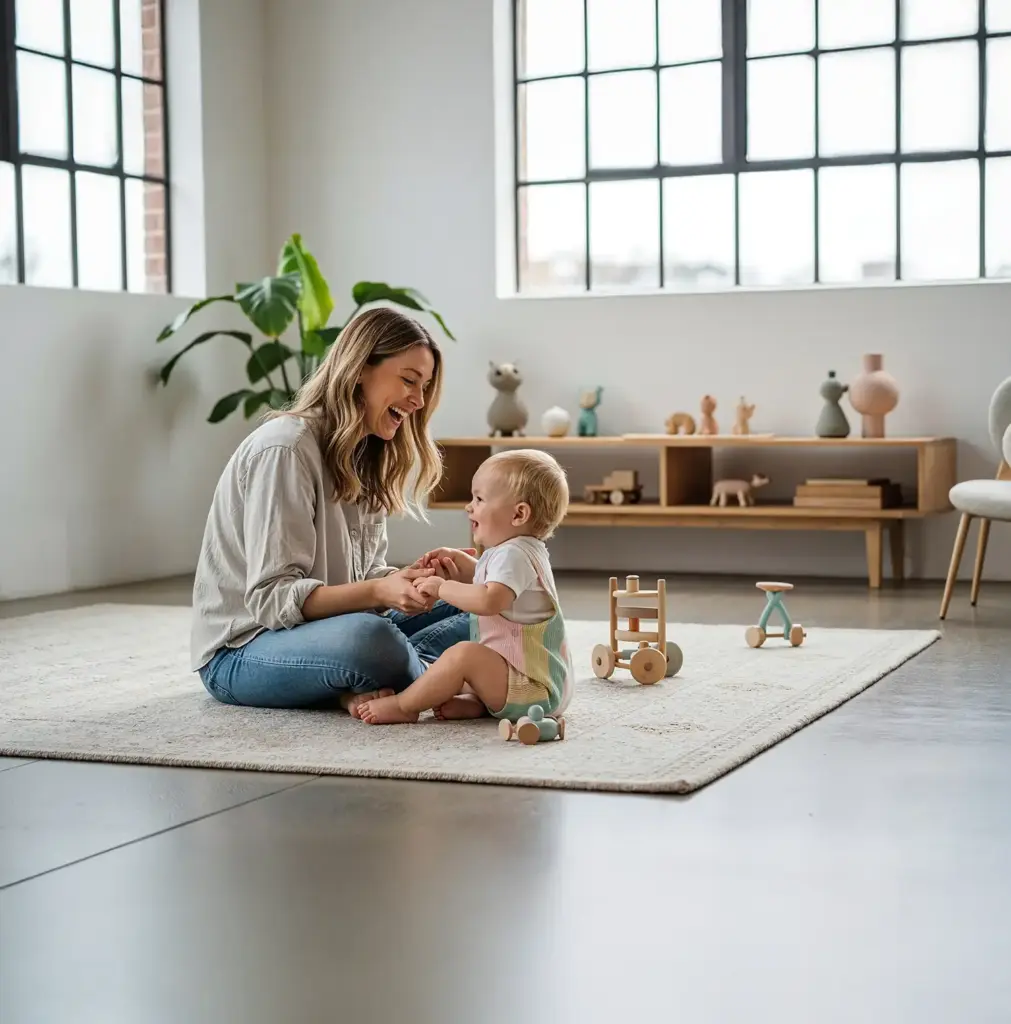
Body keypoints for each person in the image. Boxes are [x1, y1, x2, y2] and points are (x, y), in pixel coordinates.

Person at [191, 307, 471, 713]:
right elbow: (272, 599)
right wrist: (379, 592)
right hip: (244, 650)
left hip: (327, 630)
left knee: (481, 604)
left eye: (424, 386)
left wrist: (414, 581)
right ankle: (443, 679)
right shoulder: (285, 449)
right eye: (409, 381)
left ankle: (410, 675)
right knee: (371, 640)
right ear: (359, 369)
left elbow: (368, 577)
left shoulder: (367, 453)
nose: (419, 400)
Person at [357, 449, 574, 726]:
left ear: (519, 514)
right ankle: (479, 701)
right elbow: (500, 587)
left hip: (530, 689)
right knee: (464, 660)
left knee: (462, 656)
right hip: (533, 682)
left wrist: (441, 587)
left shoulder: (514, 554)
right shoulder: (522, 551)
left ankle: (405, 705)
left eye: (479, 499)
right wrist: (465, 564)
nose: (469, 506)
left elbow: (489, 600)